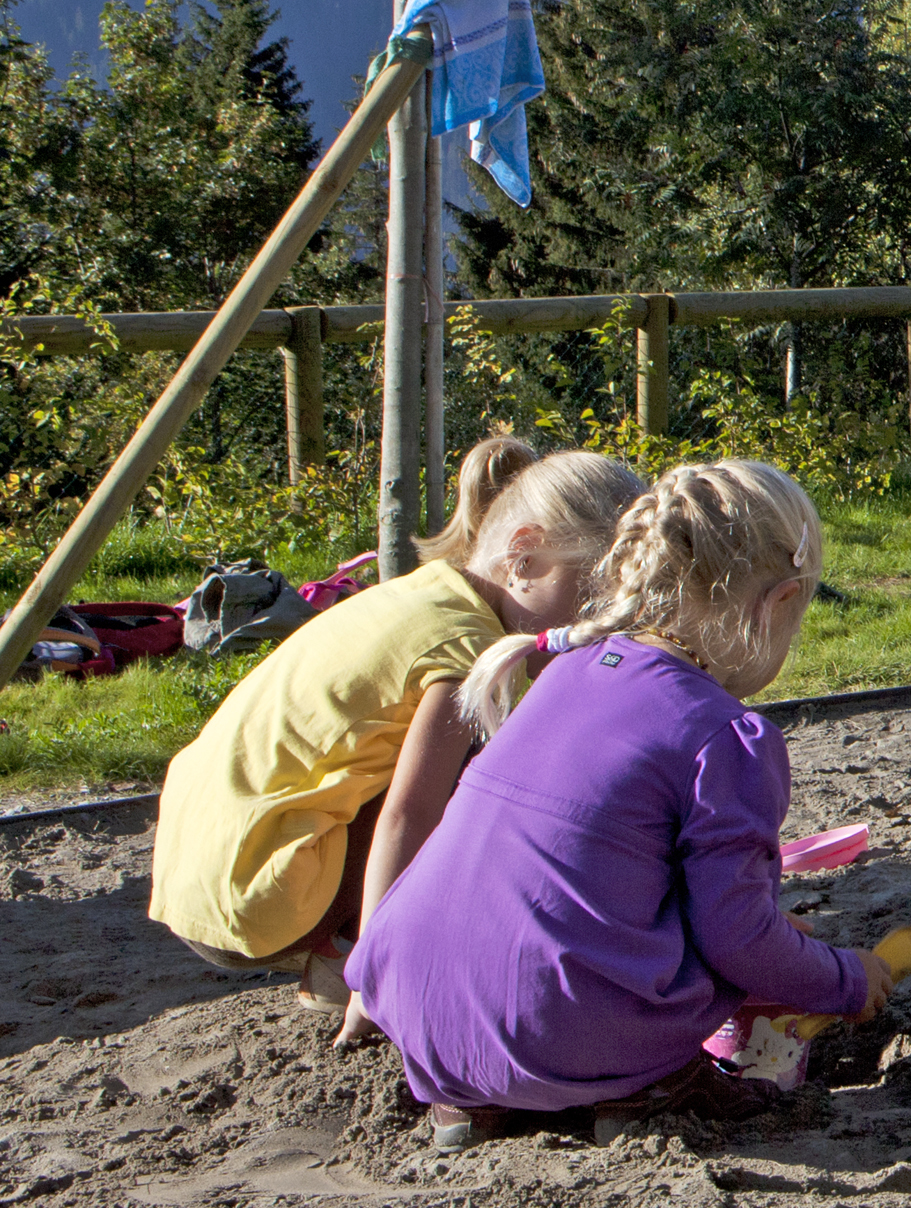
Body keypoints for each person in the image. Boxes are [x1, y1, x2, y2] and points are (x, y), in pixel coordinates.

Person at [348, 461, 894, 1150]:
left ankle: (469, 1106)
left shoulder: (563, 673)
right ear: (778, 603)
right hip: (566, 1030)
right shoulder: (729, 736)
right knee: (712, 957)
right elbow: (736, 937)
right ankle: (641, 1086)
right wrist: (846, 978)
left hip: (417, 1015)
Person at [148, 435, 644, 1040]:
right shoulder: (466, 652)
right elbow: (408, 815)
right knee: (490, 785)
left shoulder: (431, 591)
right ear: (523, 554)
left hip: (197, 873)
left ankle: (337, 954)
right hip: (259, 897)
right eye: (595, 598)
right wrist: (379, 977)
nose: (599, 627)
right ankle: (367, 959)